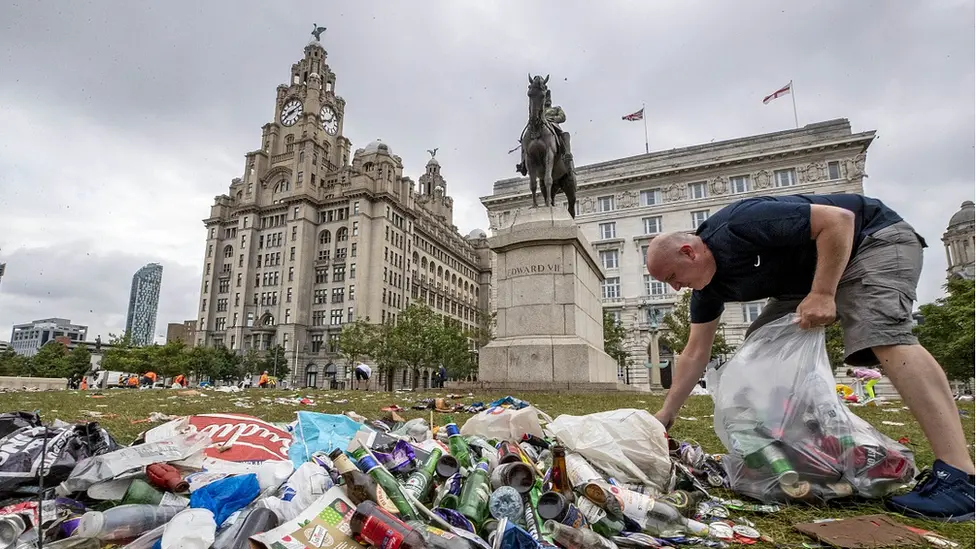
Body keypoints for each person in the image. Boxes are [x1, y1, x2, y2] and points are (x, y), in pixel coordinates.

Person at [644, 193, 975, 522]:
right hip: (803, 280)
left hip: (870, 241)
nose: (675, 289)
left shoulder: (738, 225)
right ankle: (816, 456)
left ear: (689, 251)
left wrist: (822, 293)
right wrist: (667, 413)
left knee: (882, 334)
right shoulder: (707, 290)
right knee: (758, 349)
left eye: (672, 277)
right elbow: (695, 352)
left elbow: (838, 221)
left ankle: (960, 477)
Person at [516, 89, 575, 176]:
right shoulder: (539, 111)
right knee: (525, 140)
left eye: (549, 98)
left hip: (552, 125)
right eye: (546, 99)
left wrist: (552, 119)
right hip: (539, 128)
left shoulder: (556, 108)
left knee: (565, 135)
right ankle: (523, 163)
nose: (548, 100)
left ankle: (567, 153)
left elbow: (562, 117)